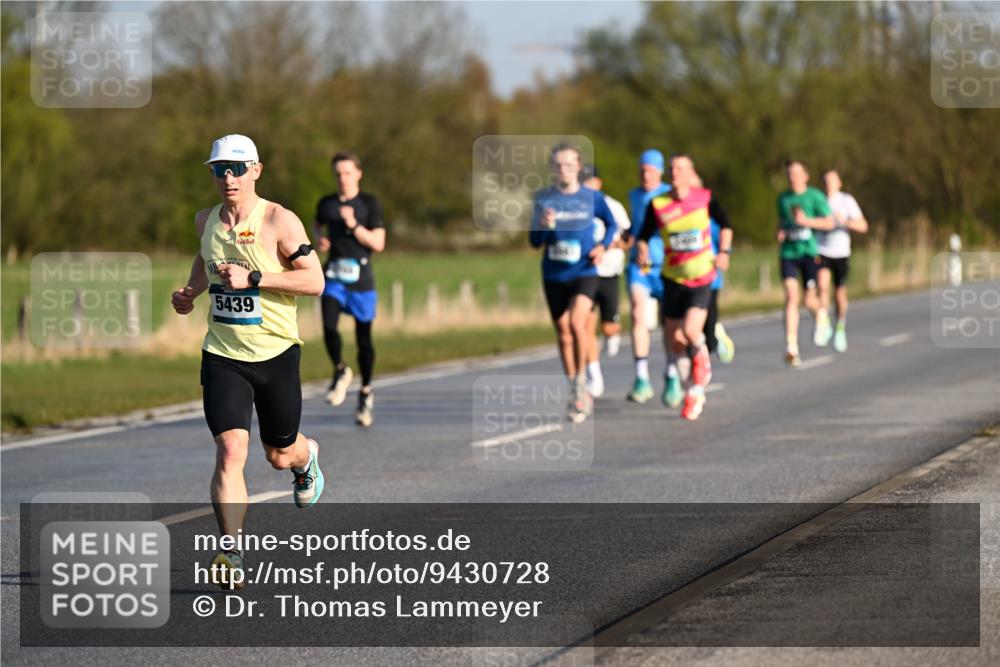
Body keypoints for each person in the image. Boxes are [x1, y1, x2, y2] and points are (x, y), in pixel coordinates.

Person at [171, 134, 326, 588]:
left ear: (256, 169)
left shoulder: (280, 220)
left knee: (279, 454)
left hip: (276, 353)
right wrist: (191, 293)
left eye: (237, 169)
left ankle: (305, 458)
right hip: (223, 354)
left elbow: (314, 280)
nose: (228, 178)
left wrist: (254, 278)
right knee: (230, 450)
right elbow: (206, 259)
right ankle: (231, 552)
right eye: (220, 170)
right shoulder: (206, 220)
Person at [637, 154, 731, 421]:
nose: (674, 172)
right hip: (672, 278)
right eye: (671, 168)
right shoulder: (659, 203)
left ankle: (701, 366)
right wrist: (642, 252)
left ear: (691, 173)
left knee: (691, 331)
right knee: (675, 341)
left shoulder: (705, 197)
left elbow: (726, 224)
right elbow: (643, 236)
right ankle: (692, 391)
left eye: (680, 168)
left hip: (702, 276)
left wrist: (723, 251)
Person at [529, 144, 617, 423]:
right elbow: (534, 242)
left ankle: (581, 387)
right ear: (552, 168)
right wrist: (543, 225)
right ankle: (574, 385)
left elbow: (613, 224)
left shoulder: (592, 197)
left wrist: (602, 247)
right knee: (564, 332)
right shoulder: (544, 199)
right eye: (558, 165)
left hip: (585, 270)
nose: (563, 170)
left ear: (578, 167)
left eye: (568, 164)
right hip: (554, 274)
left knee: (578, 323)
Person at [314, 151, 386, 427]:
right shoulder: (327, 203)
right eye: (338, 173)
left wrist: (353, 224)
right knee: (329, 327)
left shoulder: (369, 204)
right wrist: (320, 239)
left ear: (358, 173)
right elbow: (317, 225)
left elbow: (378, 243)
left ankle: (365, 391)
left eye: (347, 172)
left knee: (363, 339)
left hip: (361, 279)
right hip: (333, 274)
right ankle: (340, 370)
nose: (342, 178)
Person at [623, 149, 671, 403]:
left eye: (650, 170)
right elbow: (636, 225)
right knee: (637, 312)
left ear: (659, 171)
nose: (645, 174)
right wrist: (627, 236)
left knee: (669, 323)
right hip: (639, 266)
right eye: (642, 169)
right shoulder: (634, 195)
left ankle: (672, 373)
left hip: (666, 266)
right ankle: (642, 378)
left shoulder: (669, 194)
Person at [776, 160, 834, 367]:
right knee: (791, 296)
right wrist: (781, 231)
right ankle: (791, 347)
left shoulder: (815, 196)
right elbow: (782, 221)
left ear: (805, 176)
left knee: (809, 300)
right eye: (789, 174)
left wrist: (807, 222)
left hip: (809, 253)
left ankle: (821, 315)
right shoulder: (783, 198)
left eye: (796, 174)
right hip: (788, 253)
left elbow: (830, 222)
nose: (793, 178)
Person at [580, 164, 631, 398]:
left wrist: (612, 244)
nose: (587, 185)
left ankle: (612, 334)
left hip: (610, 271)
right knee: (586, 325)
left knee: (609, 326)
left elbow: (629, 239)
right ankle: (594, 374)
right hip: (586, 272)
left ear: (599, 183)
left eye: (591, 180)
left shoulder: (613, 206)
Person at [817, 169, 868, 352]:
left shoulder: (846, 201)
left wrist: (845, 222)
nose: (828, 184)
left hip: (841, 252)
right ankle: (823, 322)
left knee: (839, 294)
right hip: (821, 249)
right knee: (822, 286)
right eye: (825, 180)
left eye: (832, 180)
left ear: (839, 183)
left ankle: (840, 326)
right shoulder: (818, 200)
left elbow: (863, 226)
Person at [694, 172, 736, 367]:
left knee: (707, 332)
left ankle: (714, 336)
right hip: (684, 278)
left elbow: (725, 244)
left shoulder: (712, 221)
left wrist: (723, 255)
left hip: (710, 279)